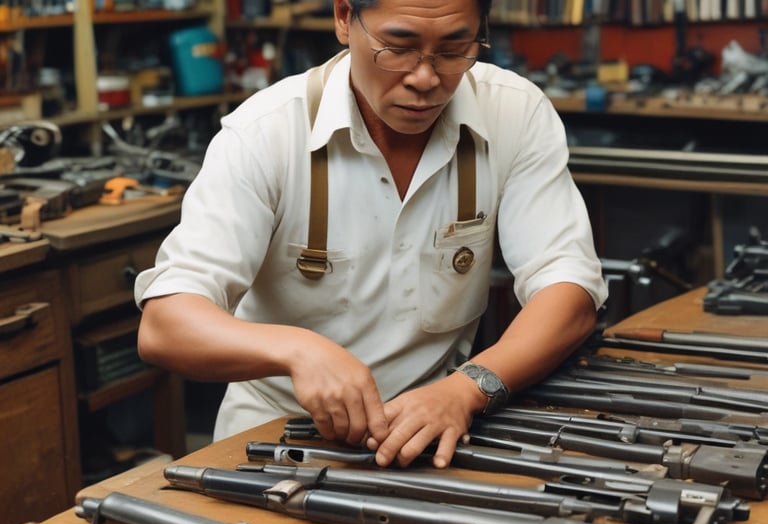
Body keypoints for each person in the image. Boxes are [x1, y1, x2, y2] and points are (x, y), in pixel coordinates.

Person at [135, 0, 608, 470]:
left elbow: (567, 289)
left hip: (435, 431)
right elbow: (165, 325)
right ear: (344, 18)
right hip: (273, 439)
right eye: (398, 48)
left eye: (454, 48)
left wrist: (468, 388)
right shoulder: (265, 133)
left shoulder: (513, 112)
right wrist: (298, 351)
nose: (425, 78)